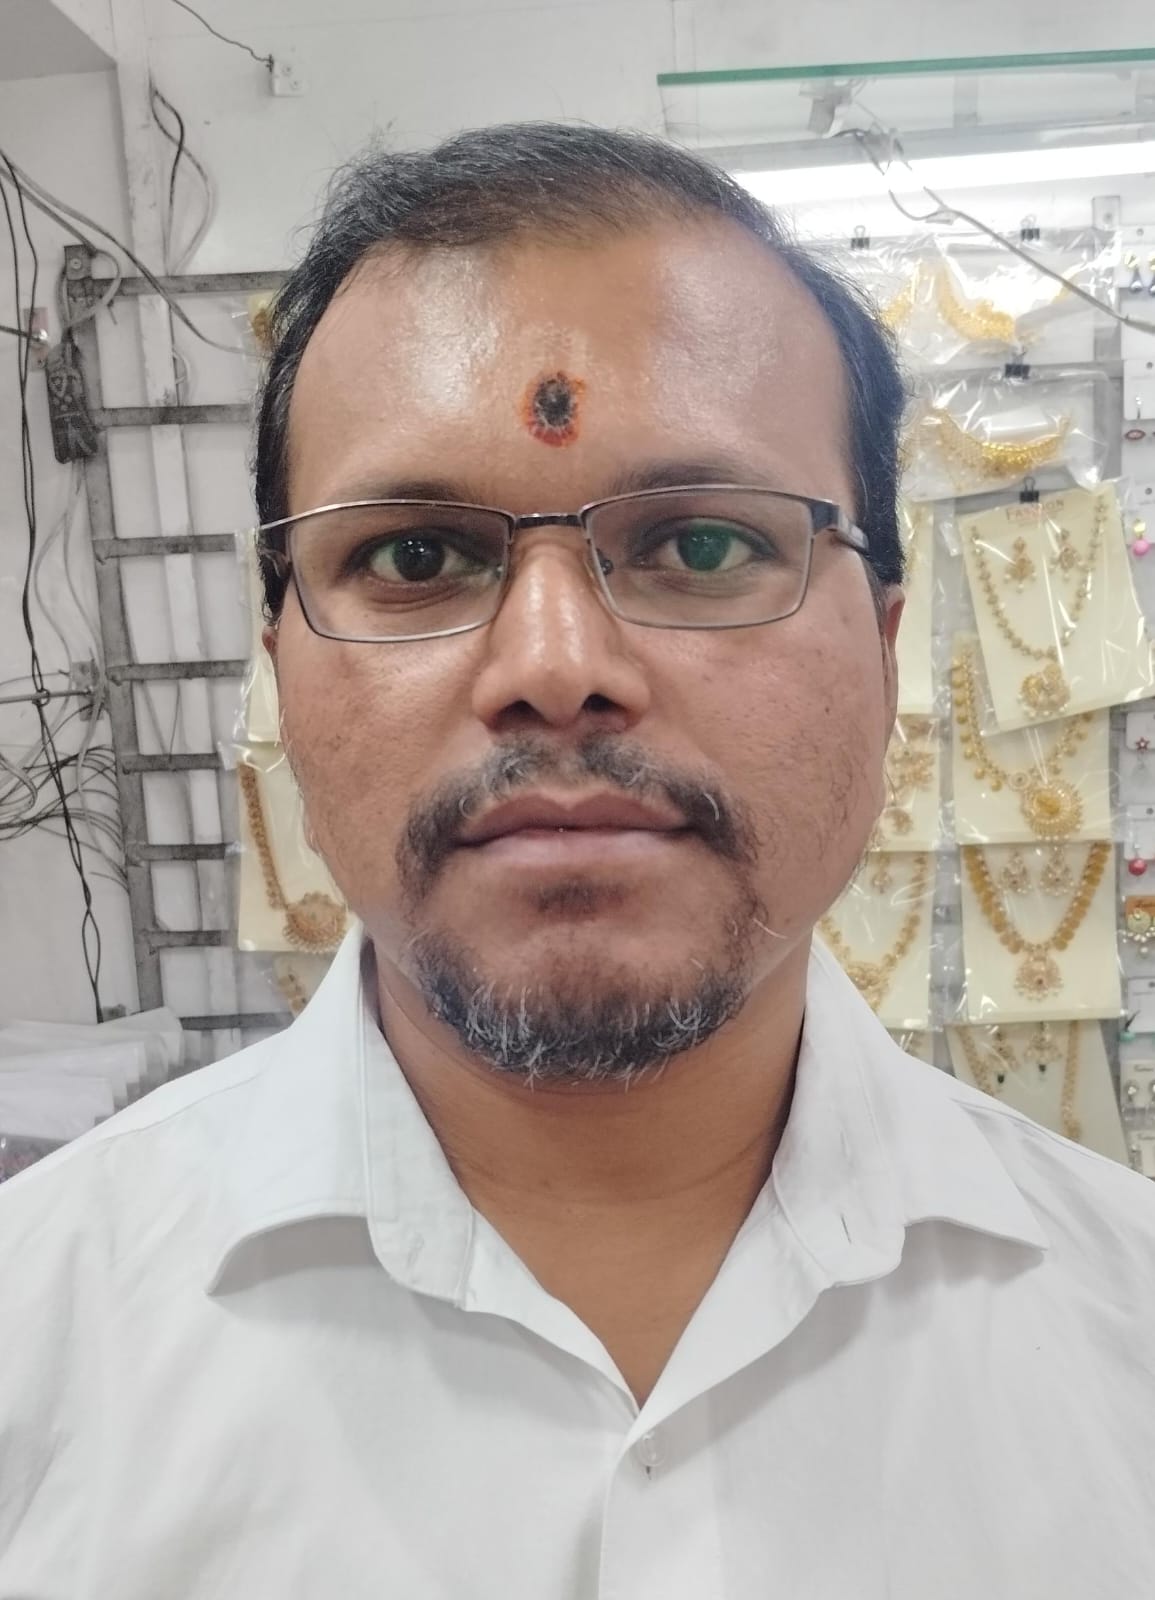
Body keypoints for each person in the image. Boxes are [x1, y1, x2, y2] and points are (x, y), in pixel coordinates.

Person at [1, 122, 1153, 1599]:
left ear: (882, 649)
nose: (555, 668)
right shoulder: (40, 1349)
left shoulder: (1125, 1343)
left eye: (704, 545)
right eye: (417, 557)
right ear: (278, 663)